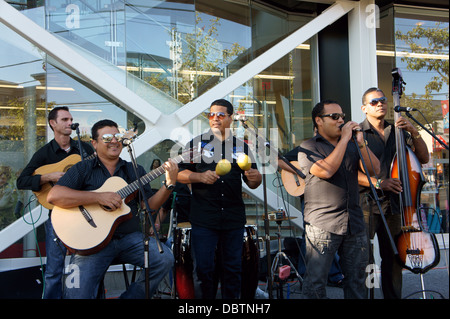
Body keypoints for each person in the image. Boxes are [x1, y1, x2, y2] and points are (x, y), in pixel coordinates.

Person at [46, 119, 177, 299]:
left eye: (117, 136)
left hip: (129, 238)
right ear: (94, 143)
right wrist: (98, 197)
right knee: (78, 293)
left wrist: (168, 185)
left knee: (165, 259)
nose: (114, 141)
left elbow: (150, 206)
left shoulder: (134, 170)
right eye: (107, 137)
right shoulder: (84, 168)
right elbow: (54, 195)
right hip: (92, 242)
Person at [177, 98, 262, 299]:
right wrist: (199, 177)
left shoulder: (241, 146)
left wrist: (255, 177)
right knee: (203, 270)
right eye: (211, 115)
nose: (215, 119)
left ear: (231, 118)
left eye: (221, 115)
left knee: (232, 270)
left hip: (233, 217)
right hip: (204, 217)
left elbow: (253, 182)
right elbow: (179, 174)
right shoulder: (197, 144)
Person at [297, 100, 380, 299]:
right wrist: (344, 139)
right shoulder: (308, 147)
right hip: (323, 224)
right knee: (316, 282)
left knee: (358, 280)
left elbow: (374, 170)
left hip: (354, 221)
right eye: (334, 117)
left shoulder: (353, 146)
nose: (341, 120)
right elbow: (326, 171)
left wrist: (360, 143)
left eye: (342, 116)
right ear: (318, 121)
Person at [16, 106, 94, 299]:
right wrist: (47, 177)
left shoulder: (84, 149)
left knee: (89, 267)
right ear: (53, 123)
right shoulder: (45, 153)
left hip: (87, 213)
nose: (70, 123)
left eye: (71, 119)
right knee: (53, 270)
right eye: (65, 119)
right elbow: (22, 181)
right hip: (58, 215)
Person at [358, 87, 429, 299]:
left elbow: (423, 158)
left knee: (394, 258)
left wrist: (414, 132)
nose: (380, 104)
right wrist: (380, 183)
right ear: (364, 108)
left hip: (396, 205)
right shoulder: (357, 134)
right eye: (374, 102)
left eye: (383, 100)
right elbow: (351, 173)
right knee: (365, 259)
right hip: (367, 204)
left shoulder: (397, 130)